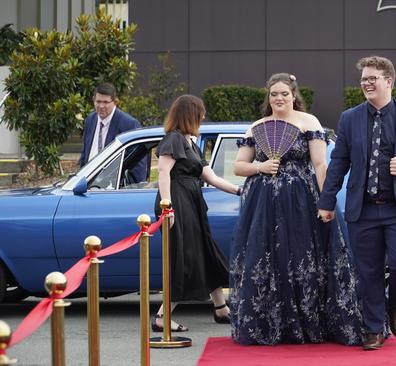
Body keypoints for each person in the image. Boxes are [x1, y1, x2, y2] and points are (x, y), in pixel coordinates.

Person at [230, 73, 363, 345]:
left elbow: (320, 165)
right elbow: (238, 167)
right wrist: (260, 167)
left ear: (294, 96)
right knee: (267, 260)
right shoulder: (257, 127)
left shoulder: (309, 122)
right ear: (268, 98)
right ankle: (274, 326)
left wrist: (327, 200)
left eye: (284, 94)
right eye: (274, 94)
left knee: (305, 258)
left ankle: (312, 323)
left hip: (303, 200)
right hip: (264, 205)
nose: (279, 99)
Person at [317, 56, 396, 350]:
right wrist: (327, 201)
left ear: (388, 81)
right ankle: (373, 329)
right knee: (367, 271)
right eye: (363, 80)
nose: (367, 84)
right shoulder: (349, 118)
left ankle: (394, 306)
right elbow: (339, 163)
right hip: (364, 209)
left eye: (372, 78)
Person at [152, 94, 240, 332]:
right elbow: (163, 172)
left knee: (204, 252)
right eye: (200, 113)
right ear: (190, 115)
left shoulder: (190, 143)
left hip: (191, 201)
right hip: (177, 202)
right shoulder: (174, 139)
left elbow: (209, 176)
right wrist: (167, 206)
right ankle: (161, 317)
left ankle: (221, 309)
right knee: (186, 258)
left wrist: (239, 190)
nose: (203, 117)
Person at [79, 82, 146, 182]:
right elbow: (85, 155)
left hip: (113, 189)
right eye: (98, 101)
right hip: (88, 185)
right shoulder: (90, 120)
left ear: (115, 102)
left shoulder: (129, 124)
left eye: (105, 102)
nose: (101, 106)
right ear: (93, 99)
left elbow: (138, 166)